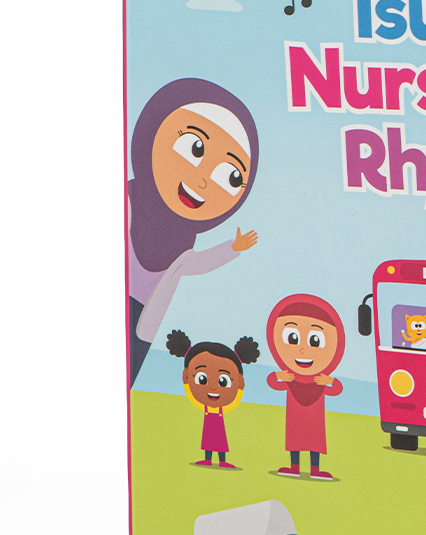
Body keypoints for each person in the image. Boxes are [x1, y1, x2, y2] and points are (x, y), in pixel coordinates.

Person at [127, 79, 259, 386]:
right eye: (194, 148)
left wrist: (232, 248)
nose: (202, 181)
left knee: (130, 366)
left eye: (230, 176)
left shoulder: (184, 239)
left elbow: (194, 263)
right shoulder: (128, 200)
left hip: (145, 314)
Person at [266, 294, 345, 481]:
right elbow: (273, 383)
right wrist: (279, 375)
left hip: (315, 421)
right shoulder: (290, 379)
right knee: (295, 442)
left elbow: (337, 389)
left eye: (315, 341)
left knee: (314, 443)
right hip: (295, 419)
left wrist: (329, 380)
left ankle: (315, 469)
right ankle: (294, 467)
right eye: (292, 338)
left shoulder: (319, 381)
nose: (303, 350)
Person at [166, 329, 260, 469]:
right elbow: (192, 396)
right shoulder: (203, 405)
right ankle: (208, 459)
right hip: (209, 425)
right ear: (187, 376)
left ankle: (222, 460)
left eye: (223, 381)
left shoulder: (224, 406)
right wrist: (186, 383)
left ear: (239, 380)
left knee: (221, 443)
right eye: (202, 379)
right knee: (208, 441)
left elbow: (235, 401)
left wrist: (240, 388)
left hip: (219, 426)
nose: (213, 388)